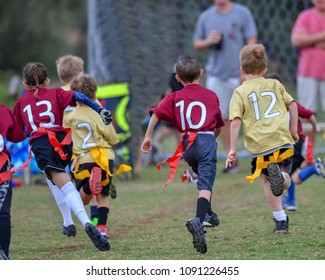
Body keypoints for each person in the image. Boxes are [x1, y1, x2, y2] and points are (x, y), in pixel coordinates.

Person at [13, 62, 111, 251]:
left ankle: (86, 223)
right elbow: (78, 96)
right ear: (48, 81)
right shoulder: (56, 92)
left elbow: (19, 132)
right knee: (56, 181)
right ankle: (68, 223)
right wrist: (99, 109)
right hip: (63, 143)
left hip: (43, 144)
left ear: (25, 85)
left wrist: (29, 136)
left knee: (64, 186)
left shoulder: (20, 103)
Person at [141, 56, 224, 254]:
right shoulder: (211, 95)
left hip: (187, 145)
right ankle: (199, 220)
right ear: (201, 73)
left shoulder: (173, 97)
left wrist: (148, 137)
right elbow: (219, 124)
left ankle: (209, 214)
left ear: (177, 78)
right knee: (205, 186)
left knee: (202, 180)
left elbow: (156, 114)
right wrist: (213, 138)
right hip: (205, 141)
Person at [225, 44, 299, 233]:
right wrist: (293, 130)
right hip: (282, 140)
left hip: (261, 146)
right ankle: (282, 177)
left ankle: (281, 221)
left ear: (242, 70)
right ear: (265, 70)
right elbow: (293, 106)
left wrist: (232, 149)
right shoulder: (275, 84)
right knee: (285, 175)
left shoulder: (240, 92)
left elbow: (234, 122)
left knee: (267, 180)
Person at [193, 0, 257, 173]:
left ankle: (261, 155)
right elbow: (197, 43)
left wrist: (246, 70)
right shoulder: (206, 16)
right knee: (222, 118)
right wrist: (208, 41)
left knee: (251, 114)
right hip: (217, 75)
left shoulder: (242, 13)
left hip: (240, 73)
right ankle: (232, 158)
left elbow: (251, 40)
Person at [64, 74, 120, 239]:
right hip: (104, 157)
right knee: (103, 196)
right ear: (95, 93)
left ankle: (89, 186)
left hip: (83, 158)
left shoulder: (70, 116)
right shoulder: (102, 113)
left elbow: (65, 137)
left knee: (82, 199)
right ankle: (102, 228)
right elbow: (113, 138)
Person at [266, 73, 325, 211]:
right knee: (294, 175)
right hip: (300, 142)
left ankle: (291, 200)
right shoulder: (291, 102)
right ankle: (313, 170)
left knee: (287, 173)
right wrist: (315, 127)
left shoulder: (270, 107)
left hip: (287, 142)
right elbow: (309, 114)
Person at [291, 0, 325, 149]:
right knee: (307, 114)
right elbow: (296, 40)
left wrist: (309, 40)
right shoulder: (305, 16)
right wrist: (321, 36)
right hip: (307, 72)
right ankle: (307, 153)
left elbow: (303, 40)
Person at [0, 104, 25, 260]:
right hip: (1, 165)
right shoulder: (2, 110)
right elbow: (17, 136)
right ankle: (4, 252)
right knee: (2, 211)